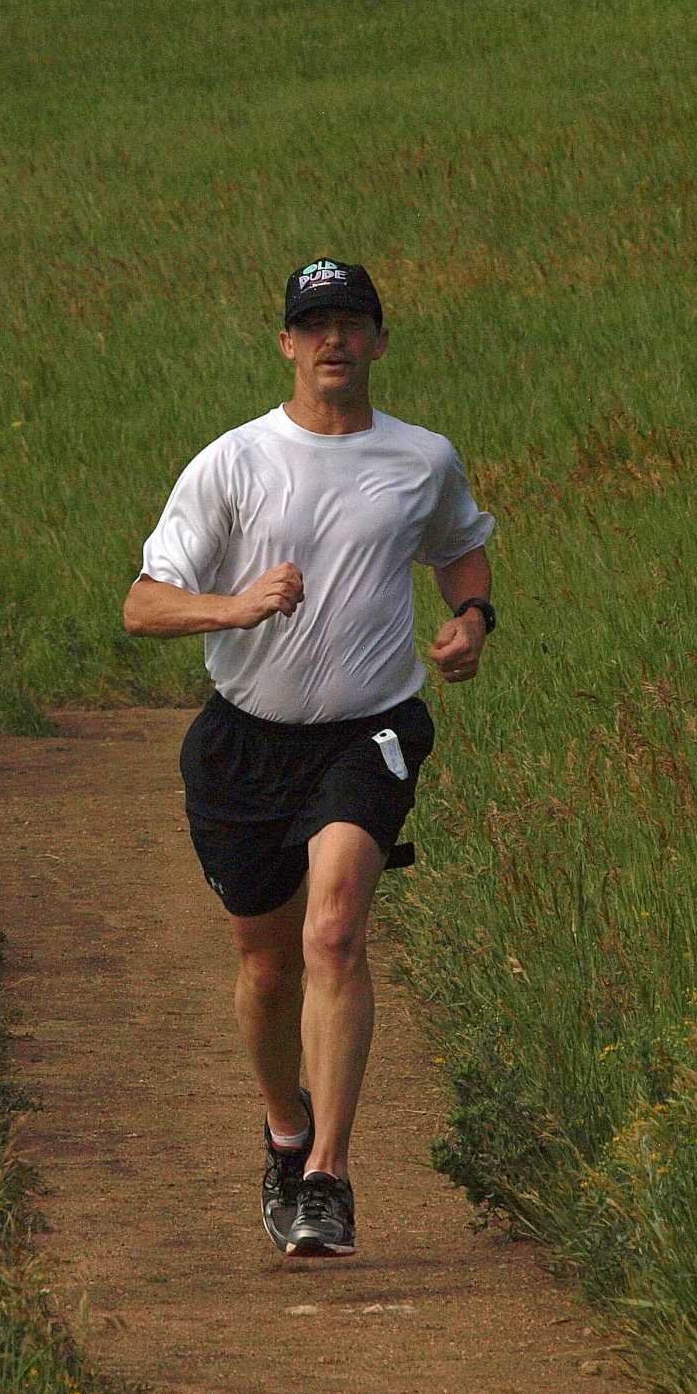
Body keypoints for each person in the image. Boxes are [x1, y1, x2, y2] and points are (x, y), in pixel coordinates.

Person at [122, 257, 496, 1257]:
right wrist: (233, 606)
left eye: (352, 322)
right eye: (315, 323)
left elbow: (459, 545)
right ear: (287, 343)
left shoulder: (421, 458)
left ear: (379, 341)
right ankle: (285, 1131)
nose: (334, 339)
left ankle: (327, 1176)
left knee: (333, 933)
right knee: (265, 962)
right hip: (245, 743)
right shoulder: (233, 462)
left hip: (368, 730)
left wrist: (472, 615)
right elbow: (143, 604)